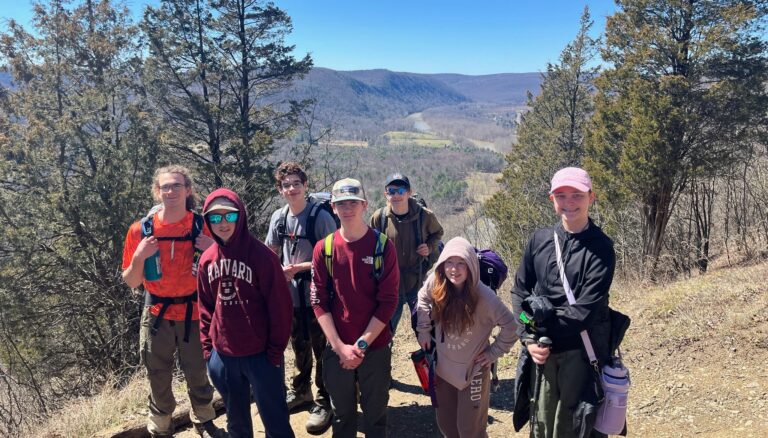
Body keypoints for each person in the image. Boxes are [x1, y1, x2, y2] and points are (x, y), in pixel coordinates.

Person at [511, 167, 616, 438]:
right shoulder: (539, 240)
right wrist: (527, 335)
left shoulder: (601, 249)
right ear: (551, 199)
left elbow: (582, 313)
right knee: (542, 425)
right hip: (542, 353)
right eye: (561, 195)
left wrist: (538, 330)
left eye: (576, 195)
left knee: (574, 427)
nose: (569, 203)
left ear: (591, 197)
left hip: (579, 354)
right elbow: (519, 292)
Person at [121, 165, 224, 438]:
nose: (170, 191)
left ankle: (203, 421)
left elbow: (224, 270)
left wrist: (211, 250)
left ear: (188, 190)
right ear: (157, 192)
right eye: (165, 187)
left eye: (176, 186)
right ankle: (161, 428)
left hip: (194, 310)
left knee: (198, 371)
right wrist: (139, 256)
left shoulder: (202, 228)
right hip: (156, 311)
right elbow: (132, 281)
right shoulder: (140, 231)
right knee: (157, 374)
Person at [197, 188, 294, 438]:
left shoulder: (263, 257)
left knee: (276, 422)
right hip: (224, 356)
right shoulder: (208, 260)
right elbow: (206, 307)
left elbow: (281, 309)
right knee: (237, 424)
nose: (223, 223)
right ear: (207, 221)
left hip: (261, 355)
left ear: (240, 215)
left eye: (228, 216)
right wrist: (209, 351)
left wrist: (274, 352)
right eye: (215, 218)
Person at [310, 178, 399, 438]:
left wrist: (360, 346)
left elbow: (388, 302)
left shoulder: (382, 247)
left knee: (375, 414)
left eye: (353, 202)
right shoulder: (324, 249)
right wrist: (340, 348)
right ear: (333, 208)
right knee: (342, 415)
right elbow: (318, 301)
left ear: (364, 205)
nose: (347, 208)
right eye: (341, 204)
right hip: (337, 347)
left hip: (376, 346)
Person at [415, 237, 518, 438]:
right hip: (444, 367)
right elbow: (422, 298)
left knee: (469, 430)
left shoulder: (484, 297)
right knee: (447, 425)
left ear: (471, 265)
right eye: (450, 263)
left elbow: (511, 326)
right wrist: (424, 329)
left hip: (474, 370)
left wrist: (493, 353)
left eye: (461, 262)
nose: (455, 269)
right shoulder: (437, 283)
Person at [265, 162, 336, 433]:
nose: (292, 188)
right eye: (286, 185)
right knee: (299, 345)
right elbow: (271, 251)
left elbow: (333, 256)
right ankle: (301, 390)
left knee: (322, 349)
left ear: (305, 185)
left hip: (318, 296)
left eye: (296, 183)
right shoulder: (279, 217)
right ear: (280, 190)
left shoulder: (320, 216)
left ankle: (324, 400)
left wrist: (297, 268)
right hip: (290, 298)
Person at [369, 173, 443, 335]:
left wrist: (429, 247)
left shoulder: (425, 216)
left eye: (401, 191)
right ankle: (383, 360)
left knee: (425, 329)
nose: (396, 195)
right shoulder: (379, 217)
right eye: (391, 191)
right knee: (385, 333)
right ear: (385, 194)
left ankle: (428, 359)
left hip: (417, 283)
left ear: (409, 192)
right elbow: (370, 244)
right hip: (390, 285)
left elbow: (437, 233)